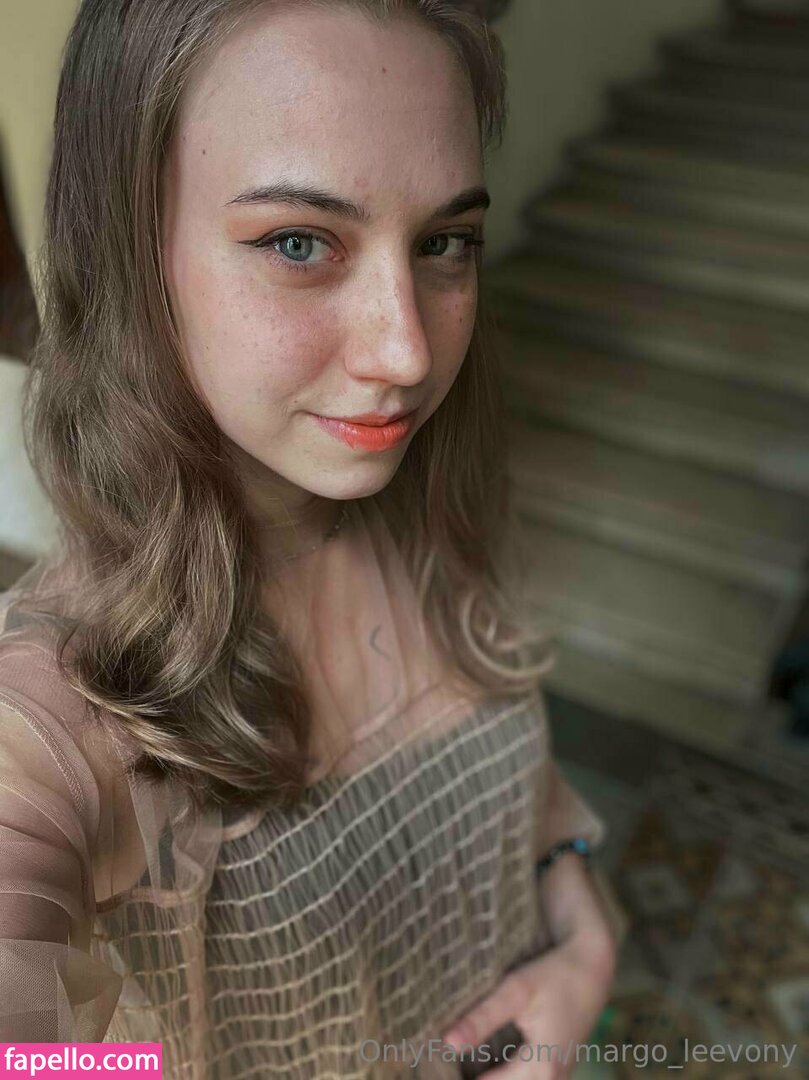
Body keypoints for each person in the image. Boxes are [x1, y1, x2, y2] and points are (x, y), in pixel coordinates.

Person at [0, 1, 623, 1076]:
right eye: (299, 242)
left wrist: (582, 934)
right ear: (129, 251)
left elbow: (516, 796)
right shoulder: (55, 722)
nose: (405, 351)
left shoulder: (419, 510)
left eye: (443, 243)